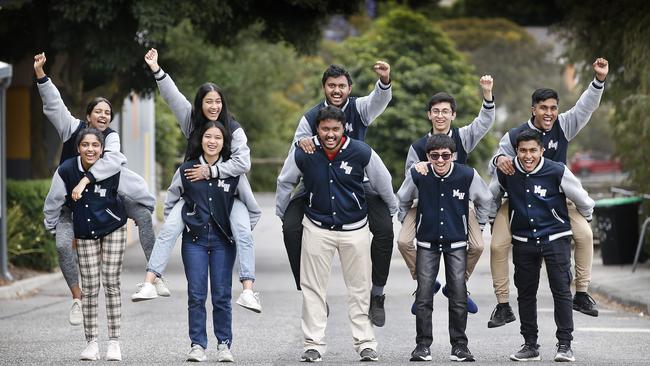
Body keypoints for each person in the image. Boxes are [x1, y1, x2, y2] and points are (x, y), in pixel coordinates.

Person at [131, 49, 262, 312]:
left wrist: (211, 172)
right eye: (208, 102)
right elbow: (172, 97)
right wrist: (157, 70)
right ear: (200, 104)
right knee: (168, 229)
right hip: (193, 195)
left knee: (243, 233)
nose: (214, 106)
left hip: (229, 195)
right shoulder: (191, 122)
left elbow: (243, 163)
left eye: (218, 101)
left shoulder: (234, 130)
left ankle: (248, 290)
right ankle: (150, 281)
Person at [34, 52, 159, 326]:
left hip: (106, 201)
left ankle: (154, 275)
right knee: (63, 246)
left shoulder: (111, 140)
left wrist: (88, 180)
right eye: (98, 112)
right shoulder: (72, 130)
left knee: (144, 215)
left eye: (107, 113)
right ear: (88, 116)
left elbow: (115, 164)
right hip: (73, 205)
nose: (103, 116)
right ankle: (77, 298)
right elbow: (55, 105)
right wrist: (42, 76)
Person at [487, 58, 608, 328]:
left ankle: (582, 293)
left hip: (558, 199)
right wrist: (497, 161)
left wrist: (598, 81)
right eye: (543, 108)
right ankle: (503, 304)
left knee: (585, 234)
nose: (549, 113)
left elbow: (585, 107)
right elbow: (494, 164)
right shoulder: (515, 135)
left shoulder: (563, 125)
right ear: (533, 109)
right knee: (497, 245)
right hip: (518, 199)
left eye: (553, 108)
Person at [276, 106, 397, 362]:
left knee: (359, 288)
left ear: (343, 129)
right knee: (313, 288)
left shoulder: (361, 152)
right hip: (317, 227)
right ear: (317, 129)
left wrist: (393, 208)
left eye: (335, 129)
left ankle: (365, 343)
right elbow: (285, 181)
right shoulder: (304, 151)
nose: (330, 134)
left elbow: (382, 181)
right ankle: (313, 344)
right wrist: (281, 210)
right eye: (325, 129)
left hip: (355, 229)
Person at [282, 62, 394, 326]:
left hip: (357, 182)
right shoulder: (310, 117)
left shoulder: (360, 109)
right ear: (324, 87)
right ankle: (310, 294)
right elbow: (294, 150)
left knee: (385, 229)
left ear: (349, 88)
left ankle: (376, 294)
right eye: (331, 85)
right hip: (316, 182)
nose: (336, 90)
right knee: (289, 228)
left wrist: (385, 81)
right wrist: (302, 142)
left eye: (341, 86)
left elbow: (379, 100)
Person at [489, 129, 594, 362]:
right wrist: (488, 218)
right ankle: (530, 345)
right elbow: (491, 196)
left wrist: (585, 215)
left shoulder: (556, 170)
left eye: (533, 151)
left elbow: (582, 198)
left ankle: (565, 345)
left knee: (561, 292)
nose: (528, 156)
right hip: (523, 240)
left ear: (542, 151)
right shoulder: (508, 171)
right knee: (526, 294)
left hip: (555, 239)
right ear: (516, 151)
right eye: (523, 151)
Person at [397, 75, 495, 315]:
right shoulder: (418, 146)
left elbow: (483, 122)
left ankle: (457, 285)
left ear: (452, 115)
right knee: (402, 241)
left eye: (445, 111)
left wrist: (487, 94)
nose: (440, 115)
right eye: (435, 111)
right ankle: (425, 283)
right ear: (429, 115)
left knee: (477, 245)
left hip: (458, 204)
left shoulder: (463, 137)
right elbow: (408, 182)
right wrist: (415, 171)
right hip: (424, 203)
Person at [166, 121, 257, 362]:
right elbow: (171, 202)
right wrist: (179, 223)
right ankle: (197, 345)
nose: (212, 141)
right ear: (201, 139)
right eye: (208, 136)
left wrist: (239, 232)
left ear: (224, 143)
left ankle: (224, 344)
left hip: (223, 243)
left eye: (218, 137)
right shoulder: (186, 169)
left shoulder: (233, 172)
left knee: (221, 295)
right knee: (196, 295)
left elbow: (251, 208)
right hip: (193, 242)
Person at [397, 134, 491, 362]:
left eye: (445, 156)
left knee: (458, 294)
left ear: (454, 156)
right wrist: (407, 220)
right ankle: (422, 345)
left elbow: (485, 200)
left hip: (456, 241)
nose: (440, 160)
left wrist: (476, 225)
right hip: (427, 242)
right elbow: (403, 198)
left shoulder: (467, 175)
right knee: (423, 294)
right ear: (427, 157)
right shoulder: (418, 174)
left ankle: (459, 345)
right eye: (435, 156)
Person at [44, 129, 135, 361]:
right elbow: (53, 200)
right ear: (78, 148)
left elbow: (136, 188)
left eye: (95, 145)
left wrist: (148, 207)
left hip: (114, 227)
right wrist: (52, 226)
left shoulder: (112, 168)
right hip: (85, 232)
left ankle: (114, 342)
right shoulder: (66, 170)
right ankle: (92, 342)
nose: (90, 149)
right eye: (85, 145)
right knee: (91, 287)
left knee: (112, 282)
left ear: (102, 149)